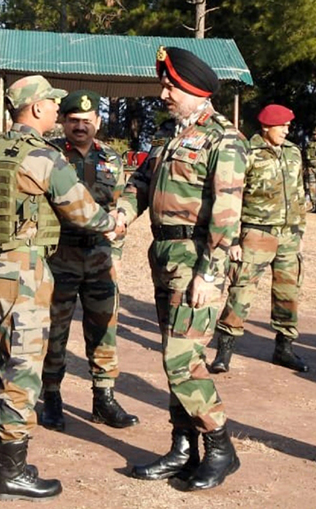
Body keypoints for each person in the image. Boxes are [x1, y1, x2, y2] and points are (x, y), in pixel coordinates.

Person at [0, 75, 119, 502]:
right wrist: (114, 223)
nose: (57, 110)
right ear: (34, 109)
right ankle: (12, 474)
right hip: (22, 273)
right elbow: (84, 212)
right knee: (22, 370)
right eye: (52, 104)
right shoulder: (43, 157)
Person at [117, 46, 247, 491]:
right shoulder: (167, 135)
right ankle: (183, 447)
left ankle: (222, 448)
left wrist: (209, 275)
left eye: (172, 86)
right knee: (172, 356)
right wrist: (119, 214)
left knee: (180, 360)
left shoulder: (223, 140)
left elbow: (227, 215)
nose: (164, 92)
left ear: (195, 90)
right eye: (165, 84)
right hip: (165, 258)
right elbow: (141, 183)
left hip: (197, 261)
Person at [40, 90, 138, 431]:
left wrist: (117, 250)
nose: (80, 126)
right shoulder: (48, 155)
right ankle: (51, 396)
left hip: (100, 257)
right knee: (55, 331)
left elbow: (124, 198)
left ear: (97, 121)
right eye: (73, 120)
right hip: (58, 257)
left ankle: (104, 398)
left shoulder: (111, 157)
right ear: (63, 122)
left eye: (87, 120)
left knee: (104, 330)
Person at [210, 104, 308, 374]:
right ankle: (225, 350)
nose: (287, 130)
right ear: (266, 127)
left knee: (288, 293)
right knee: (241, 290)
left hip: (288, 233)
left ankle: (284, 348)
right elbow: (233, 196)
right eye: (283, 126)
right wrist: (233, 240)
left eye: (289, 126)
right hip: (256, 232)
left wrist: (300, 231)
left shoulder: (293, 153)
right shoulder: (246, 152)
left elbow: (299, 194)